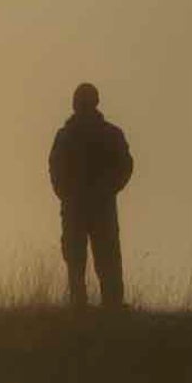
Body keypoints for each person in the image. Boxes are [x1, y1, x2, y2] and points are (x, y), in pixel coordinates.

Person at [47, 82, 133, 309]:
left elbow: (124, 167)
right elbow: (125, 167)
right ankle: (105, 306)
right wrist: (71, 193)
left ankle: (89, 306)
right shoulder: (107, 134)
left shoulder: (68, 136)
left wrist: (70, 193)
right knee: (94, 259)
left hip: (85, 206)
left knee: (87, 259)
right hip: (90, 206)